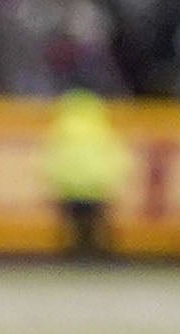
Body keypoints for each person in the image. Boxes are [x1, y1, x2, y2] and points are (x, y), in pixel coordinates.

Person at [43, 87, 135, 260]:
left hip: (68, 187)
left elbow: (52, 157)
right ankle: (102, 256)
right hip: (97, 186)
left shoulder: (60, 130)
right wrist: (118, 178)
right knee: (99, 225)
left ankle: (73, 256)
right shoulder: (101, 129)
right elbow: (118, 156)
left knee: (72, 226)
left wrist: (51, 180)